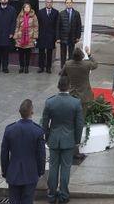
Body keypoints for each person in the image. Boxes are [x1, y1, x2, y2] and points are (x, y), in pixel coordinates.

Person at [42, 75, 84, 203]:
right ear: (69, 87)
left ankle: (51, 195)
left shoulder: (50, 102)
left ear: (58, 86)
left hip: (54, 138)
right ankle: (64, 195)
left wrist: (48, 136)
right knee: (66, 168)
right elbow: (79, 124)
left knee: (53, 167)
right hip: (69, 139)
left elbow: (44, 123)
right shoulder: (75, 102)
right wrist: (76, 140)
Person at [1, 98, 46, 204]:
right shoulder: (37, 131)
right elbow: (41, 155)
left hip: (13, 172)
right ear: (32, 111)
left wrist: (5, 171)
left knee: (14, 201)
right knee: (28, 200)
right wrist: (41, 170)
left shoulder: (9, 129)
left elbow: (4, 154)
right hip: (31, 172)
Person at [13, 2, 38, 74]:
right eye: (25, 7)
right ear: (23, 9)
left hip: (29, 37)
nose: (27, 9)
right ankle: (21, 67)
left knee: (27, 54)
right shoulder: (20, 16)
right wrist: (16, 36)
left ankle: (26, 67)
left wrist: (35, 37)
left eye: (28, 7)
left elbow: (36, 27)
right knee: (21, 54)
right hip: (20, 37)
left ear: (30, 8)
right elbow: (17, 26)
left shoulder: (34, 16)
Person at [35, 0, 59, 74]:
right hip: (42, 35)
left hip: (51, 35)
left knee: (49, 52)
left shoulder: (56, 12)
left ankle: (48, 68)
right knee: (41, 52)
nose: (49, 3)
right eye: (47, 2)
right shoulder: (40, 12)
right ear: (45, 3)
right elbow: (37, 24)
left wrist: (56, 37)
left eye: (50, 2)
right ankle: (41, 67)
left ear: (52, 3)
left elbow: (57, 25)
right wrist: (36, 35)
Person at [57, 0, 82, 67]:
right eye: (67, 3)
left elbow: (79, 26)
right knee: (63, 54)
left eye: (70, 2)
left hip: (72, 37)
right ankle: (63, 68)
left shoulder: (76, 13)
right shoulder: (61, 13)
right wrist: (58, 38)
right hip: (63, 37)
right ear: (65, 4)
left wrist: (78, 36)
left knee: (71, 54)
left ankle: (70, 69)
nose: (69, 4)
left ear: (72, 3)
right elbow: (58, 27)